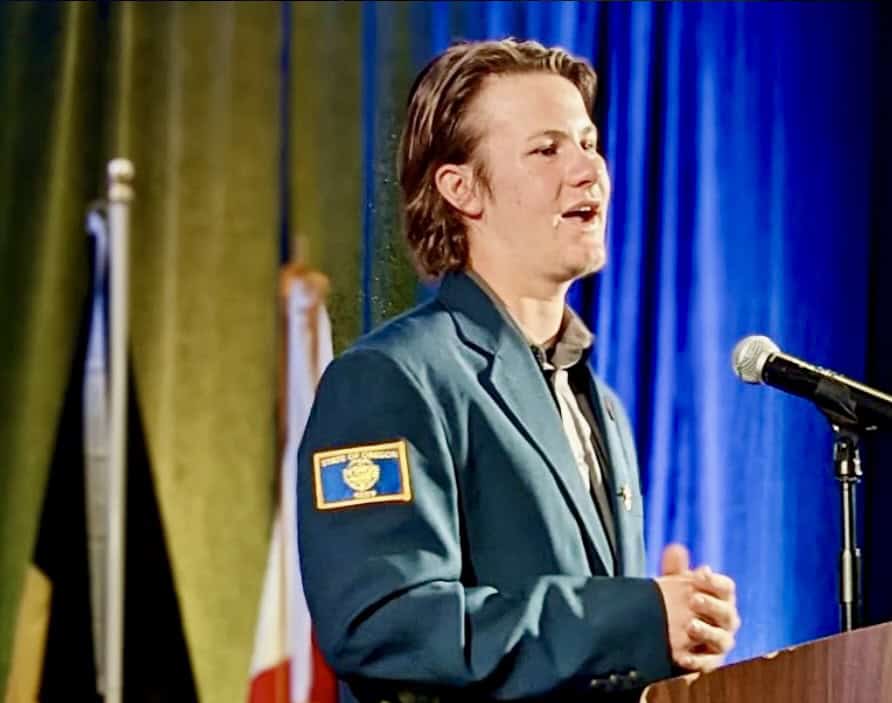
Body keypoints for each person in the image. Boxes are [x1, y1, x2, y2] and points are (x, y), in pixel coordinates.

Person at [296, 38, 740, 702]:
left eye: (589, 143)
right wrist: (633, 617)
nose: (590, 170)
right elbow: (386, 624)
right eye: (547, 149)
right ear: (461, 188)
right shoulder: (390, 379)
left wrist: (669, 648)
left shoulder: (603, 406)